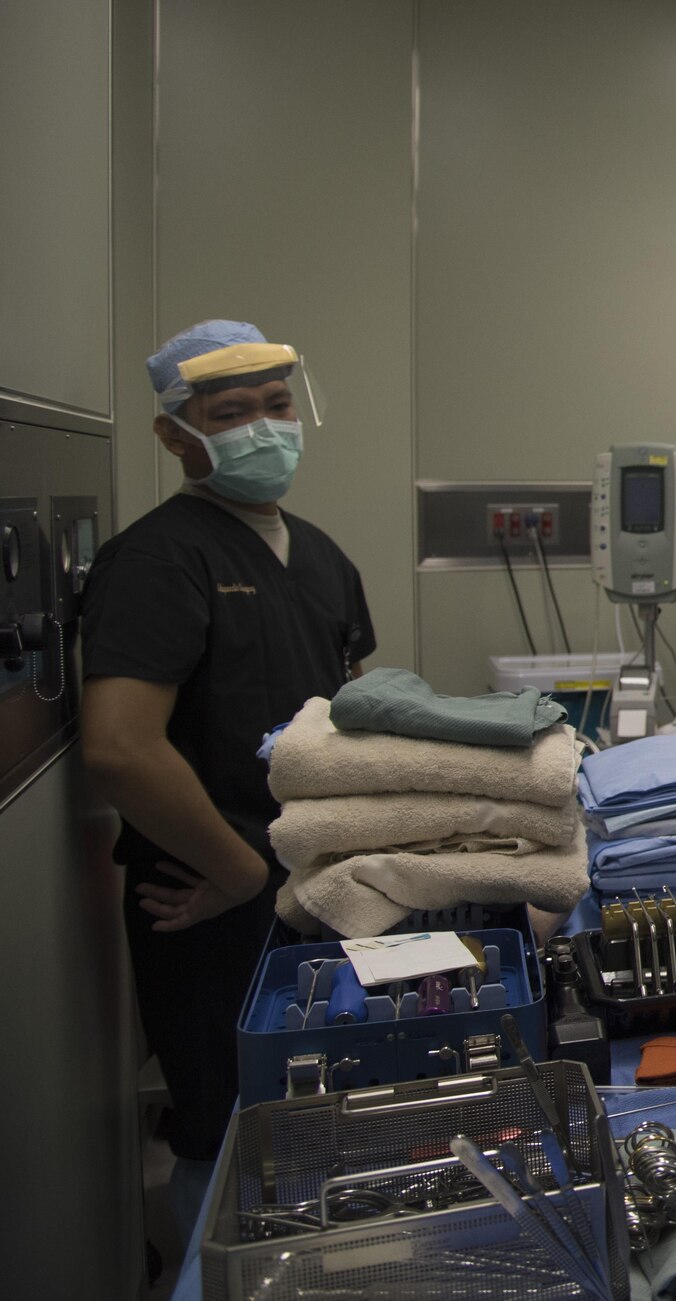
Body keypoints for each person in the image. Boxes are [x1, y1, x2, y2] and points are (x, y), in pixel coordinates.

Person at [80, 320, 373, 1226]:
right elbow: (121, 747)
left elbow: (353, 722)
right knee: (229, 1137)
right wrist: (241, 871)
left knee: (321, 1121)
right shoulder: (161, 559)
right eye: (232, 412)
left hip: (308, 885)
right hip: (206, 900)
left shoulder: (322, 557)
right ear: (177, 434)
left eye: (276, 406)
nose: (263, 428)